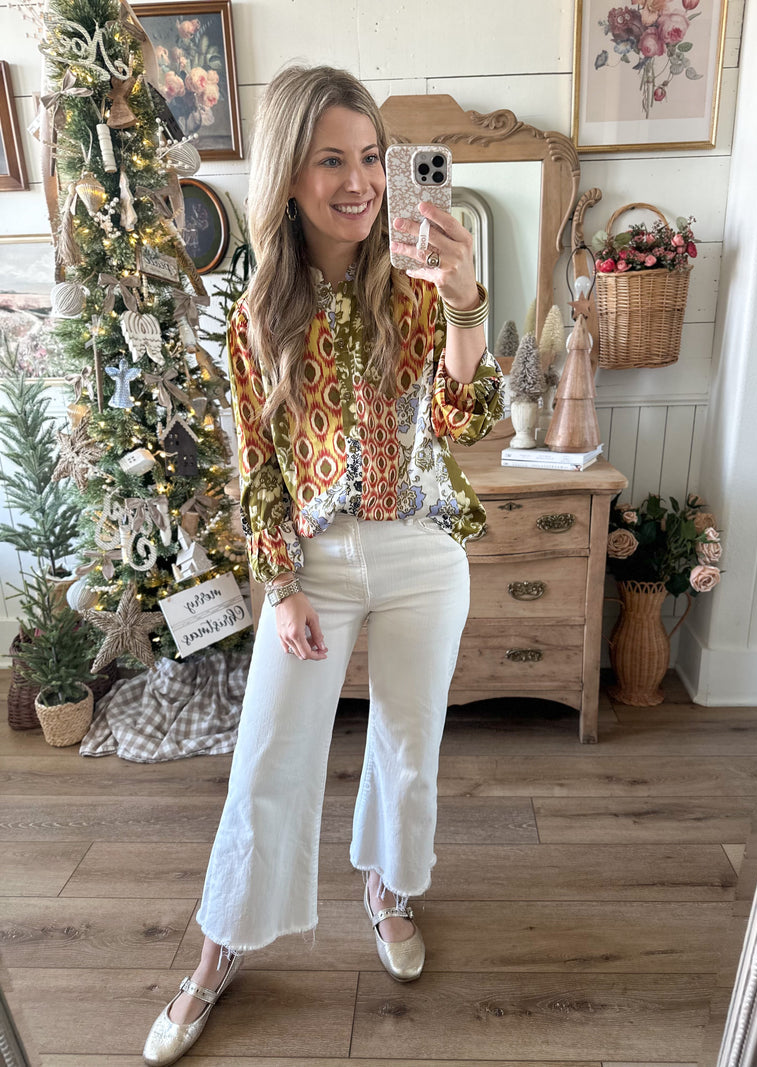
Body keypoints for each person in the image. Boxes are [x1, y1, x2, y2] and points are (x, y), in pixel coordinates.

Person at [143, 65, 503, 1067]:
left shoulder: (423, 283)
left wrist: (466, 304)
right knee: (269, 756)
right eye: (331, 160)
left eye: (374, 158)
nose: (361, 182)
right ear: (289, 177)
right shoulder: (259, 310)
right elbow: (256, 464)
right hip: (317, 560)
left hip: (426, 550)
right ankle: (215, 950)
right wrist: (281, 583)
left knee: (406, 747)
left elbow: (459, 424)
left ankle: (385, 886)